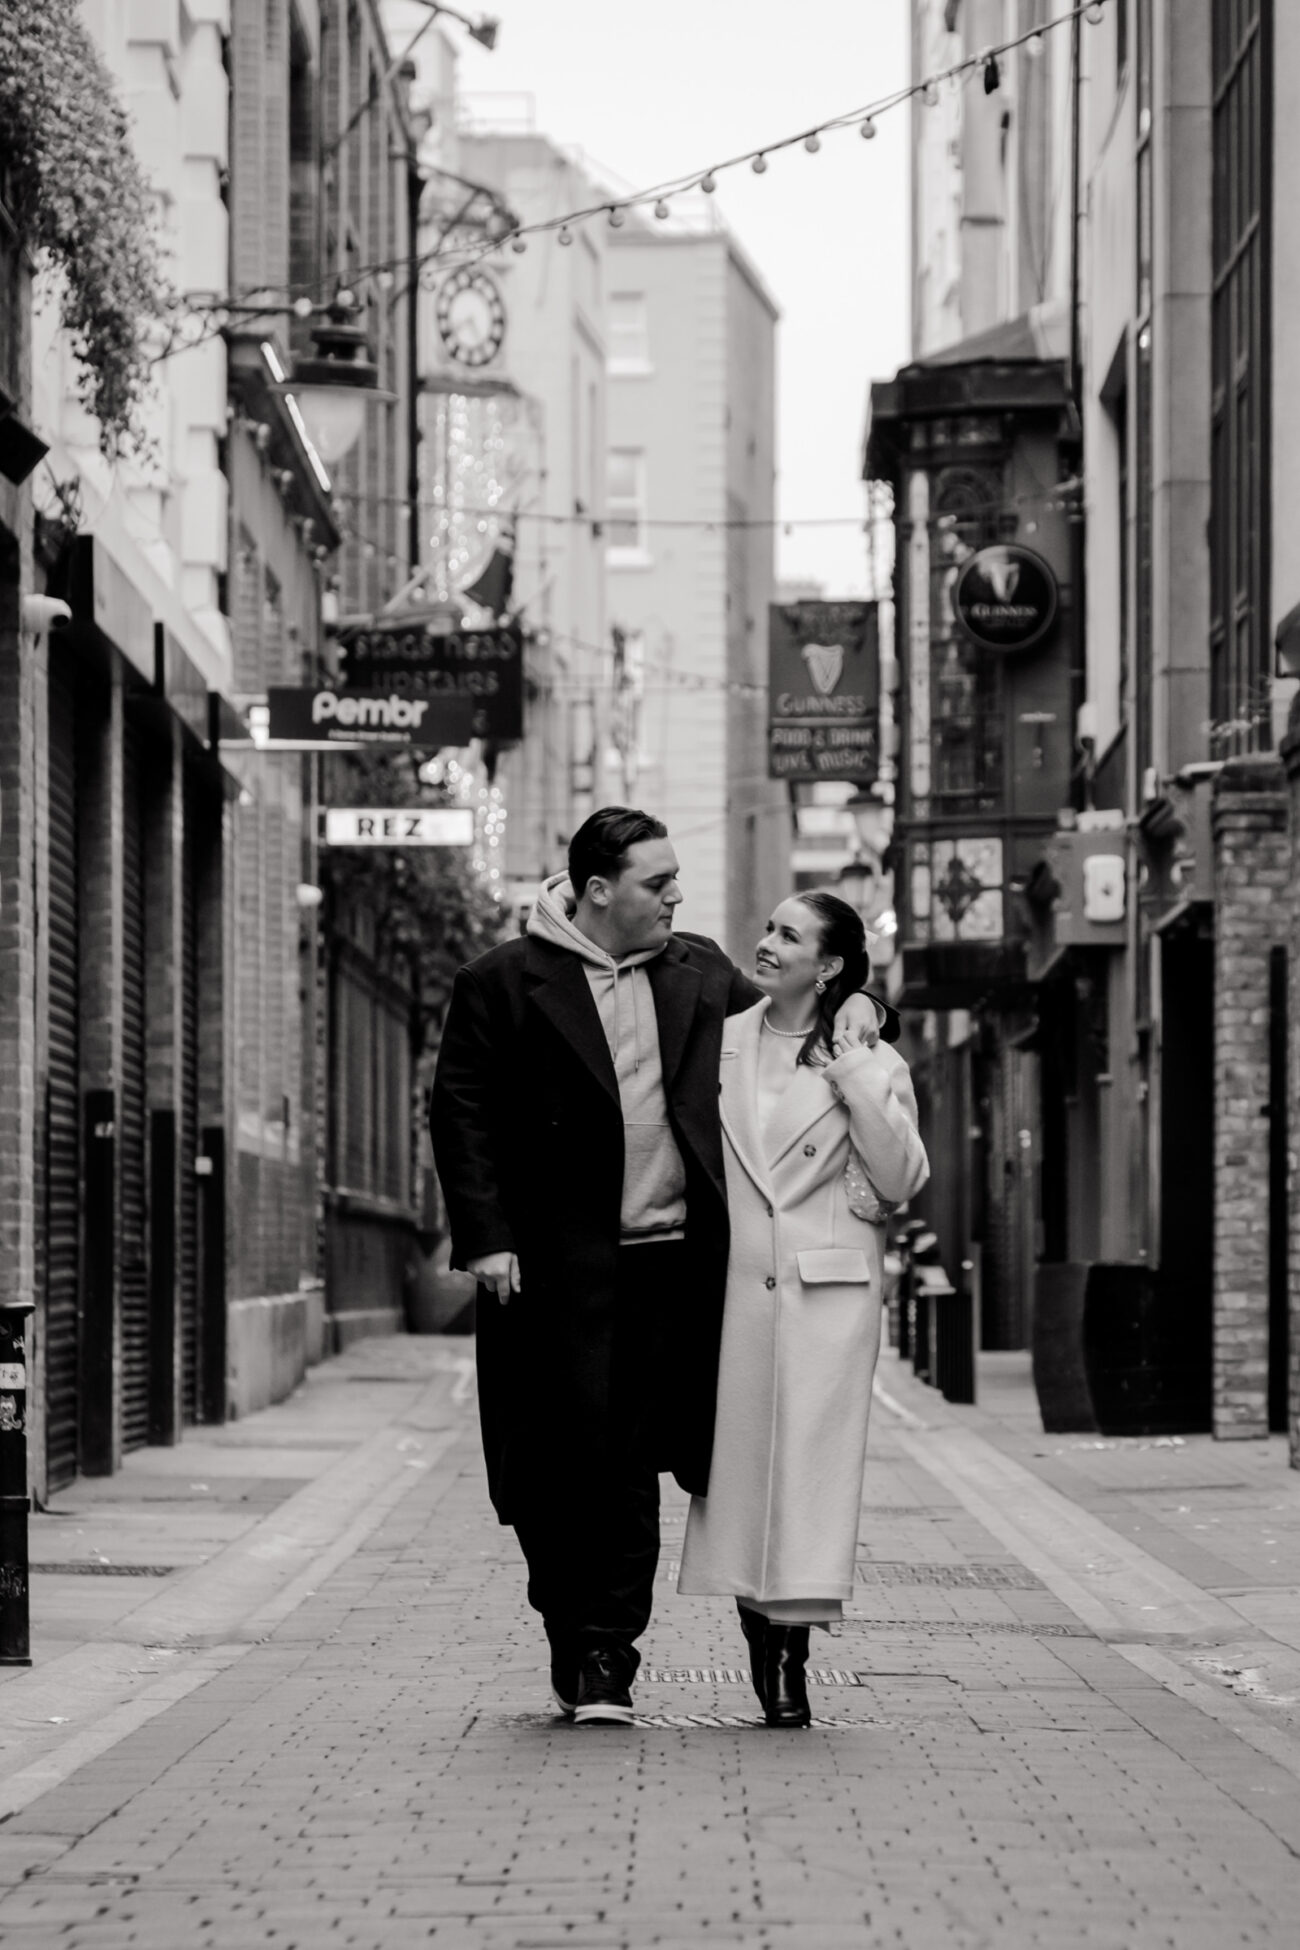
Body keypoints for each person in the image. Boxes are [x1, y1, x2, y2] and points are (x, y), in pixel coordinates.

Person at [430, 809, 892, 1727]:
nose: (675, 896)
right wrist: (485, 1237)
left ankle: (607, 1653)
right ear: (600, 891)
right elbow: (461, 1112)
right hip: (547, 1271)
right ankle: (571, 1625)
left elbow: (795, 1012)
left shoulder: (699, 972)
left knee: (629, 1466)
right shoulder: (503, 983)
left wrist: (862, 1005)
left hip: (668, 1266)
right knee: (549, 1473)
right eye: (657, 882)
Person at [677, 889, 929, 1727]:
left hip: (826, 1299)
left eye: (790, 935)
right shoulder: (720, 1039)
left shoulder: (869, 1058)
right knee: (745, 1482)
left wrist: (858, 1063)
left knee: (809, 1487)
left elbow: (898, 1181)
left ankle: (791, 1659)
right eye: (768, 928)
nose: (768, 942)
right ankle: (761, 1644)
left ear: (828, 966)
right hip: (732, 1294)